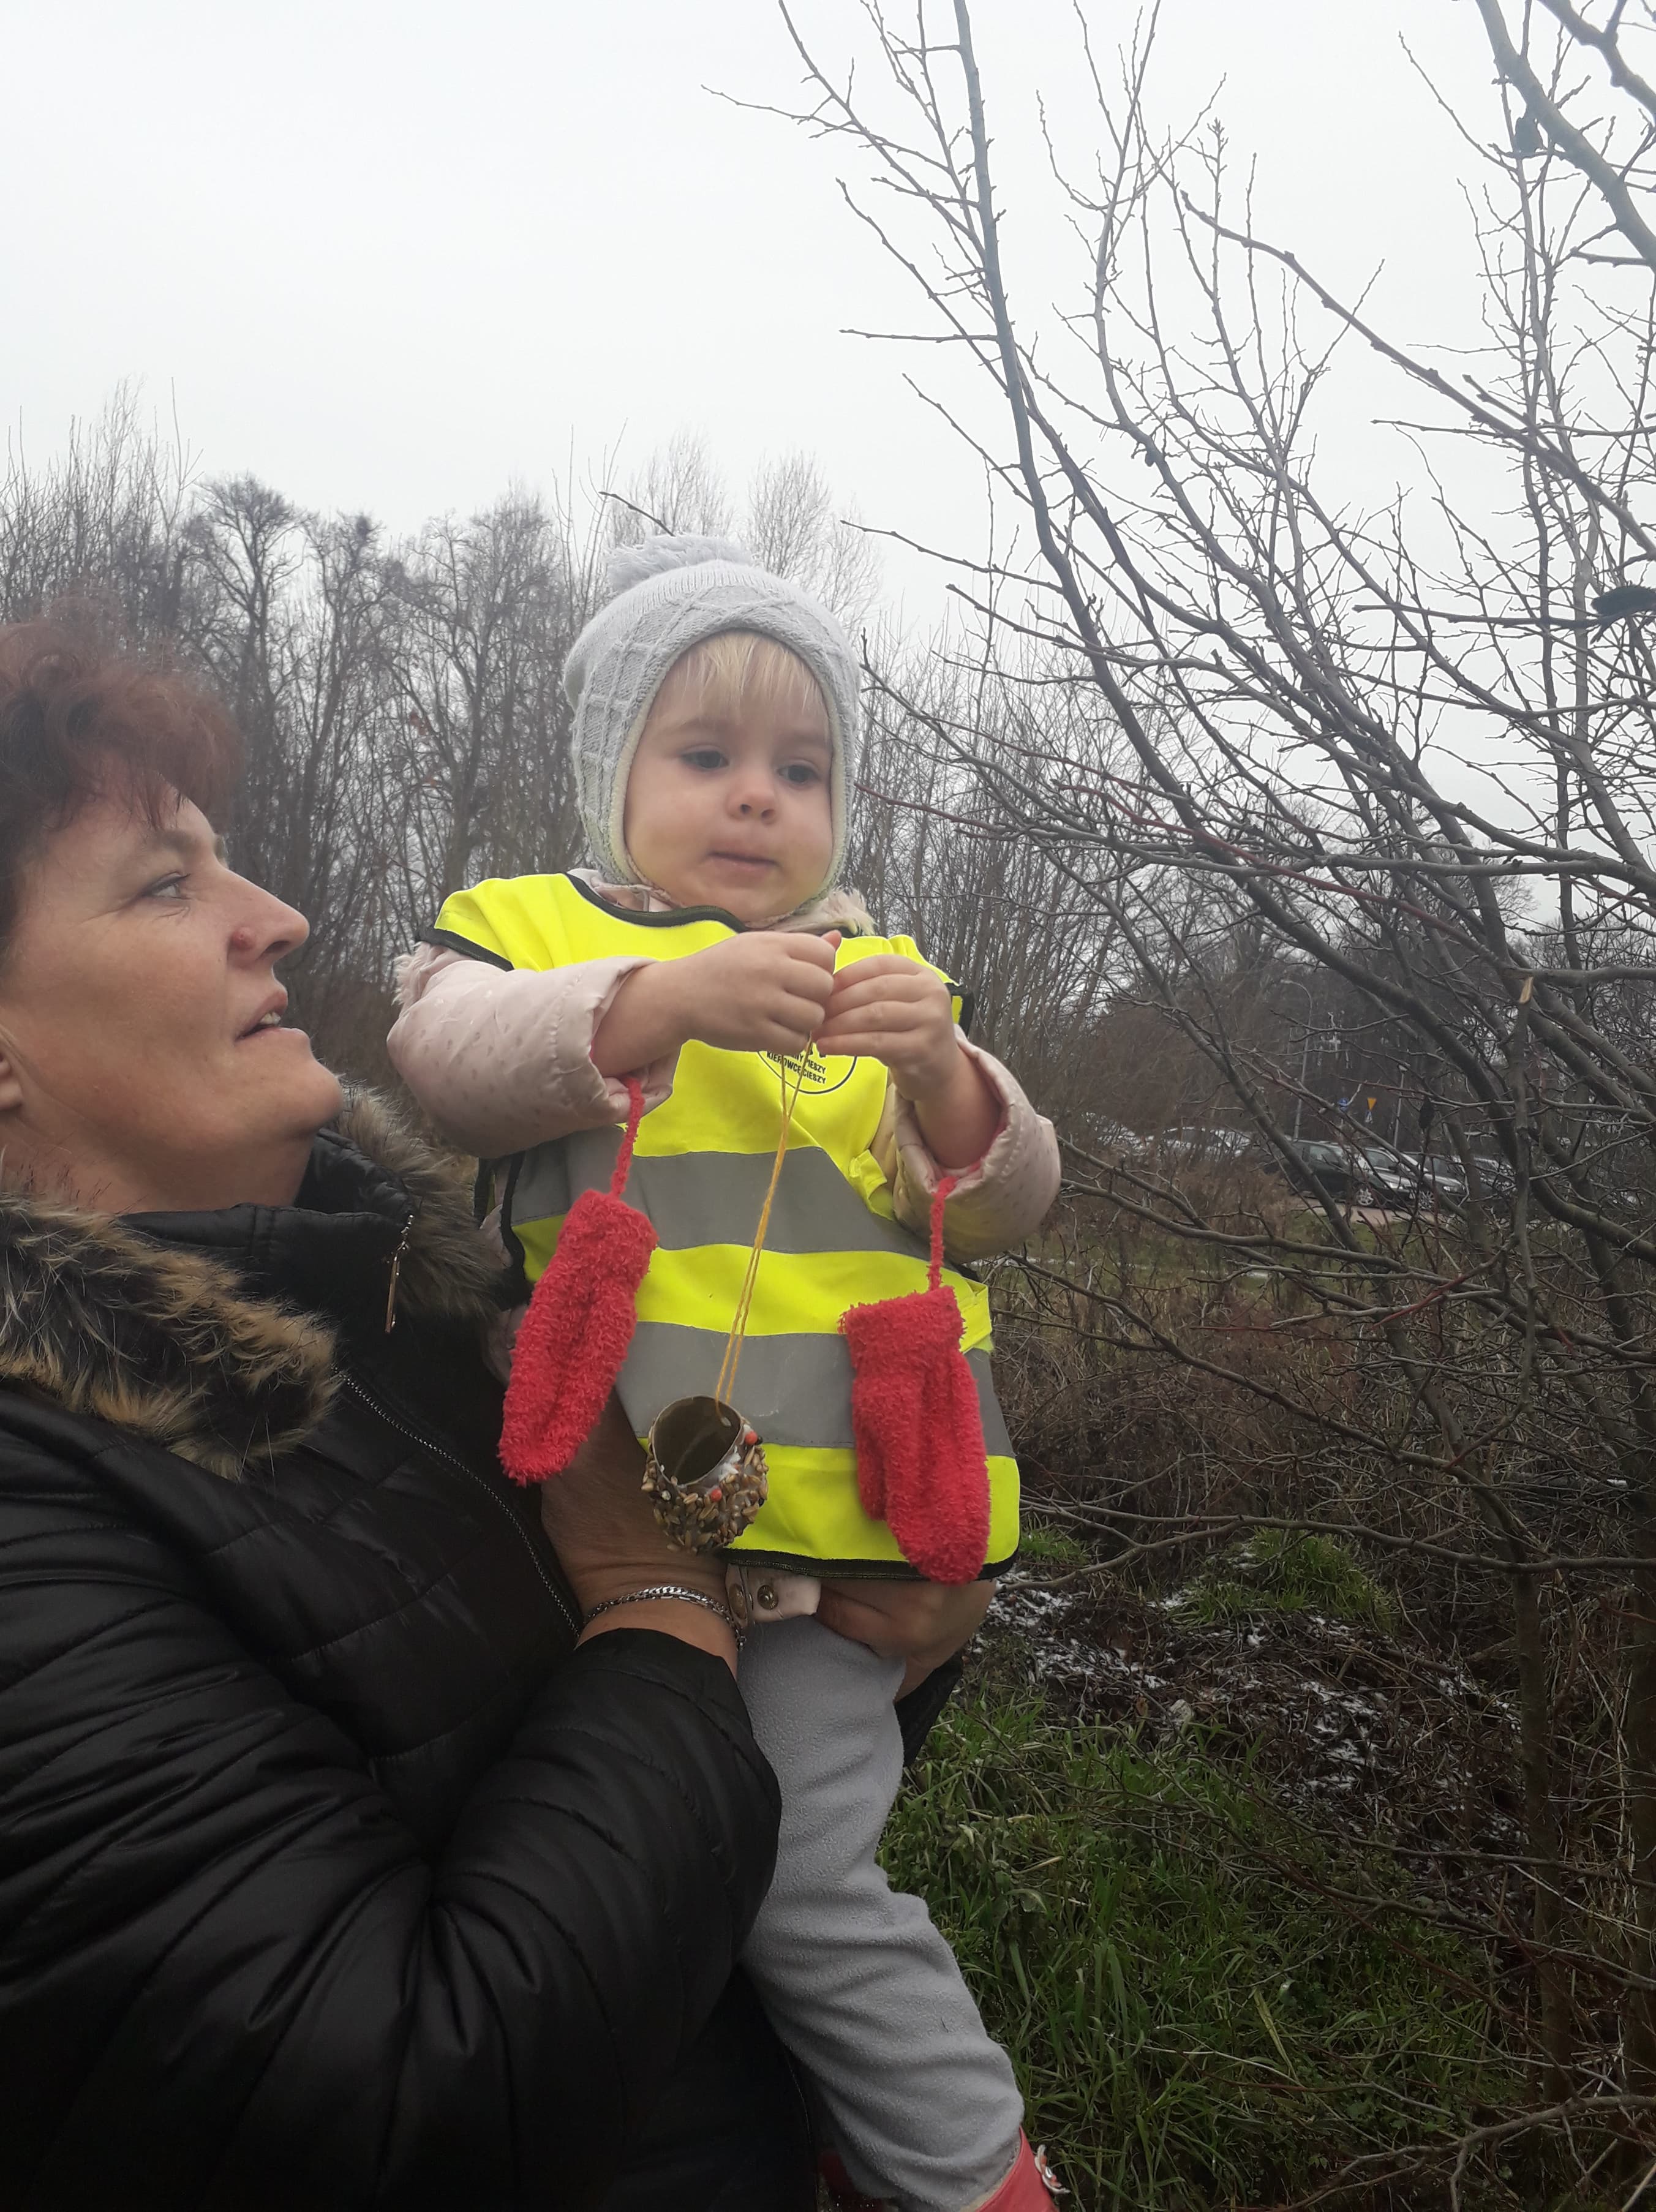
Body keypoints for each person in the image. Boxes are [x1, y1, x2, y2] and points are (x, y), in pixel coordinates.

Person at [0, 619, 827, 2210]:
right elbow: (405, 2109)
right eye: (166, 884)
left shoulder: (424, 1296)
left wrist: (869, 1597)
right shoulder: (33, 1522)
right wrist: (665, 1606)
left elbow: (709, 1624)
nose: (279, 916)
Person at [390, 537, 1064, 2212]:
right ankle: (845, 2126)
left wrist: (951, 1084)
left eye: (802, 768)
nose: (759, 796)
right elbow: (445, 1061)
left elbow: (1007, 1202)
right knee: (667, 1865)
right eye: (705, 755)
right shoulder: (529, 932)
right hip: (601, 1525)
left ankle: (968, 2172)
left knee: (802, 1871)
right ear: (608, 775)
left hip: (840, 1551)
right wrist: (658, 1002)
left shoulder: (886, 981)